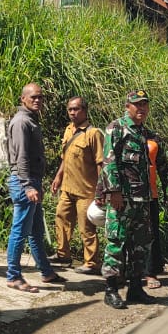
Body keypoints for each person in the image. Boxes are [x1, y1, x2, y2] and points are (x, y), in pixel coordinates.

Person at [5, 83, 65, 292]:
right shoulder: (22, 121)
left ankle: (46, 271)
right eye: (33, 97)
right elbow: (21, 158)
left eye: (40, 97)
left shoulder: (31, 119)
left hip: (32, 182)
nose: (37, 100)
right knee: (20, 231)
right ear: (23, 99)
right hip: (25, 183)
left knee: (36, 230)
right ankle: (13, 276)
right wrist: (29, 186)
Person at [100, 89, 157, 309]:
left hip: (141, 199)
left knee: (140, 244)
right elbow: (109, 161)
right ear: (127, 107)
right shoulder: (116, 128)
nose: (141, 108)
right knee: (116, 242)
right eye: (137, 105)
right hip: (122, 198)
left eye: (144, 104)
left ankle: (135, 289)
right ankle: (111, 290)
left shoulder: (143, 132)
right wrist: (113, 192)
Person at [50, 96, 105, 274]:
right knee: (61, 217)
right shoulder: (68, 130)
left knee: (86, 228)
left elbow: (100, 163)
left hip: (86, 190)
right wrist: (58, 177)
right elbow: (65, 157)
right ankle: (62, 254)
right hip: (67, 187)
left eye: (76, 109)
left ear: (85, 110)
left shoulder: (93, 133)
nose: (72, 113)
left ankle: (91, 263)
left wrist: (101, 189)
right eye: (70, 110)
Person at [144, 130, 168, 288]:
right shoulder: (120, 134)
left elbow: (163, 167)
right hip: (127, 196)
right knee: (126, 234)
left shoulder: (153, 139)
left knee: (151, 234)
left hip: (150, 195)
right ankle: (124, 272)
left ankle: (150, 272)